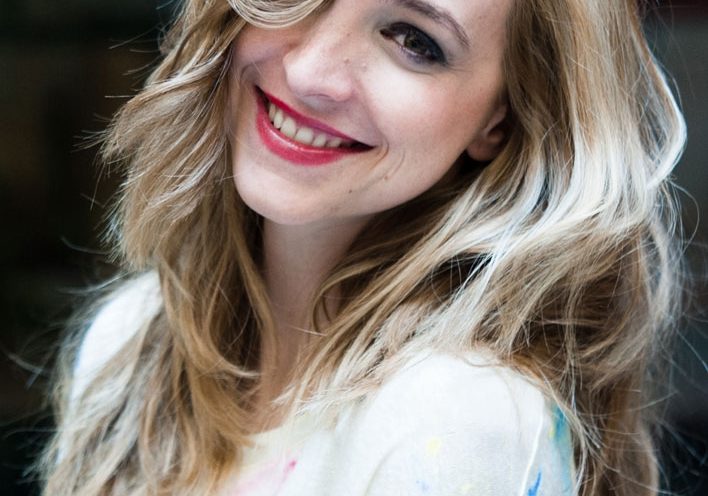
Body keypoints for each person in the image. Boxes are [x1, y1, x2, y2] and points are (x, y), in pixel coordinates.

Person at [40, 0, 687, 494]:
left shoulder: (454, 420)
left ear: (502, 119)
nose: (311, 72)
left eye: (413, 40)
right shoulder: (129, 339)